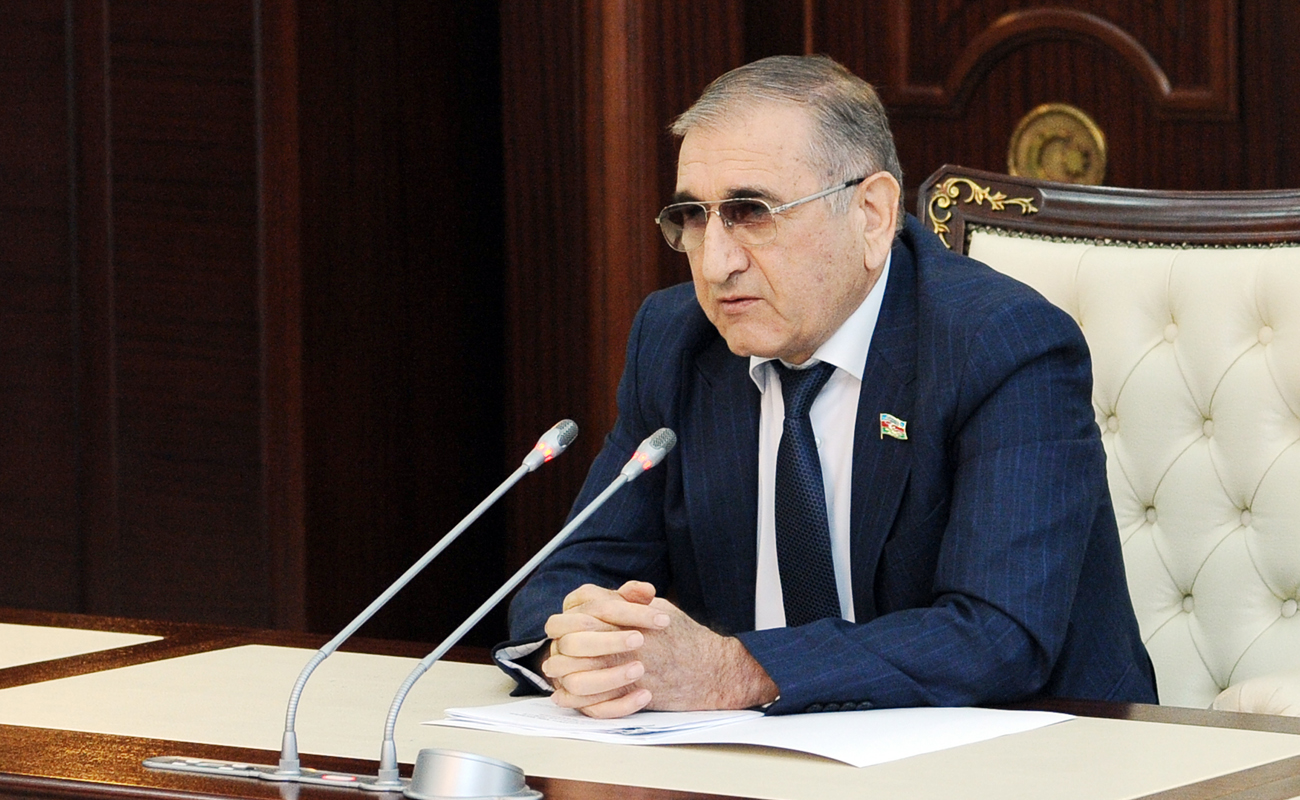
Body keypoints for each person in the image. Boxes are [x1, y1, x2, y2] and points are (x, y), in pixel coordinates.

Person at [493, 54, 1157, 718]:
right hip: (748, 755)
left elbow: (996, 636)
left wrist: (737, 671)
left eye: (751, 212)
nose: (716, 263)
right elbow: (565, 580)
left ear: (871, 214)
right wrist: (587, 647)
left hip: (1026, 747)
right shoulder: (677, 342)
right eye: (694, 216)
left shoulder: (1003, 345)